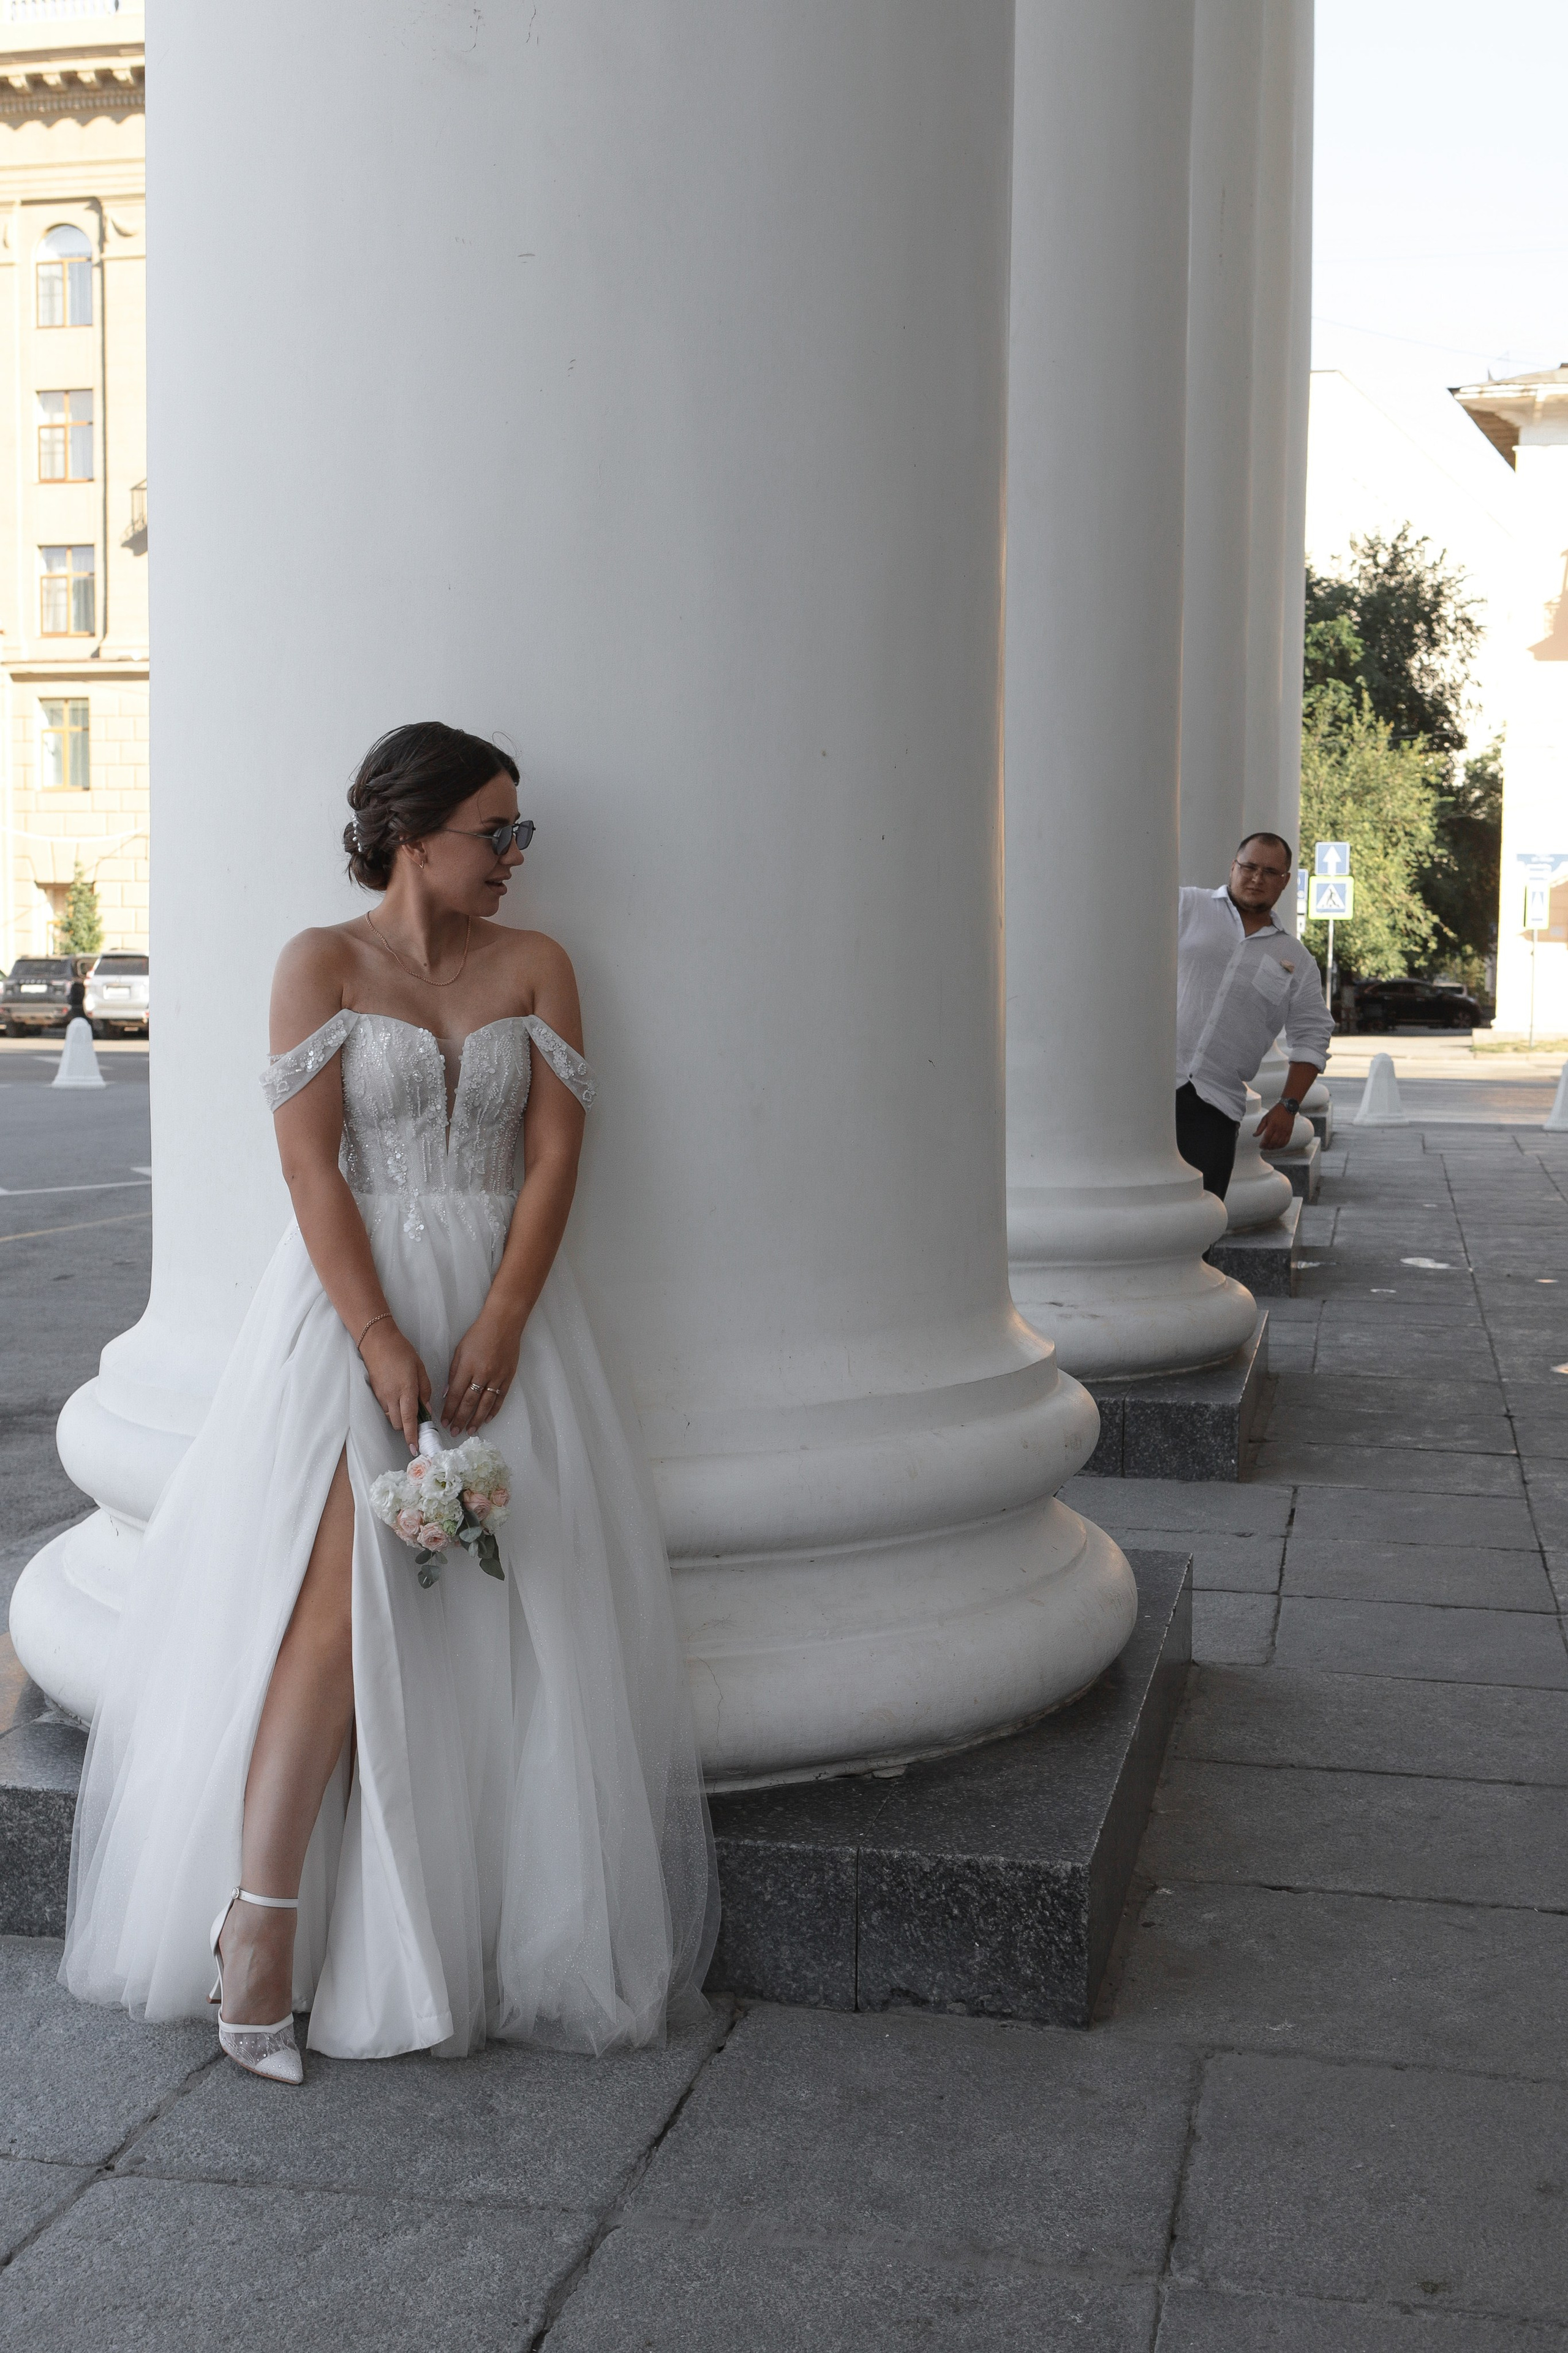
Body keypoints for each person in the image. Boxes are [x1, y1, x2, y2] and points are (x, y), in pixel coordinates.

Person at [62, 722, 717, 2083]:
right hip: (341, 1313)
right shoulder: (317, 962)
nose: (515, 859)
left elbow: (552, 1156)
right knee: (331, 1614)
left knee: (510, 1615)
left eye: (519, 832)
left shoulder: (539, 967)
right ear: (414, 833)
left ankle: (464, 1929)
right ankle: (258, 1930)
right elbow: (311, 1173)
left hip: (498, 1309)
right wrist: (374, 1333)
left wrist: (503, 1315)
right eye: (498, 831)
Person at [1175, 831, 1332, 1202]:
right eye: (1249, 867)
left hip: (1215, 1106)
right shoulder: (1185, 906)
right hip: (1148, 1090)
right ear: (1233, 867)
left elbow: (1313, 1035)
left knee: (1202, 1218)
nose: (1256, 878)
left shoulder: (1296, 959)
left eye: (1269, 872)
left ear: (1285, 882)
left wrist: (1289, 1105)